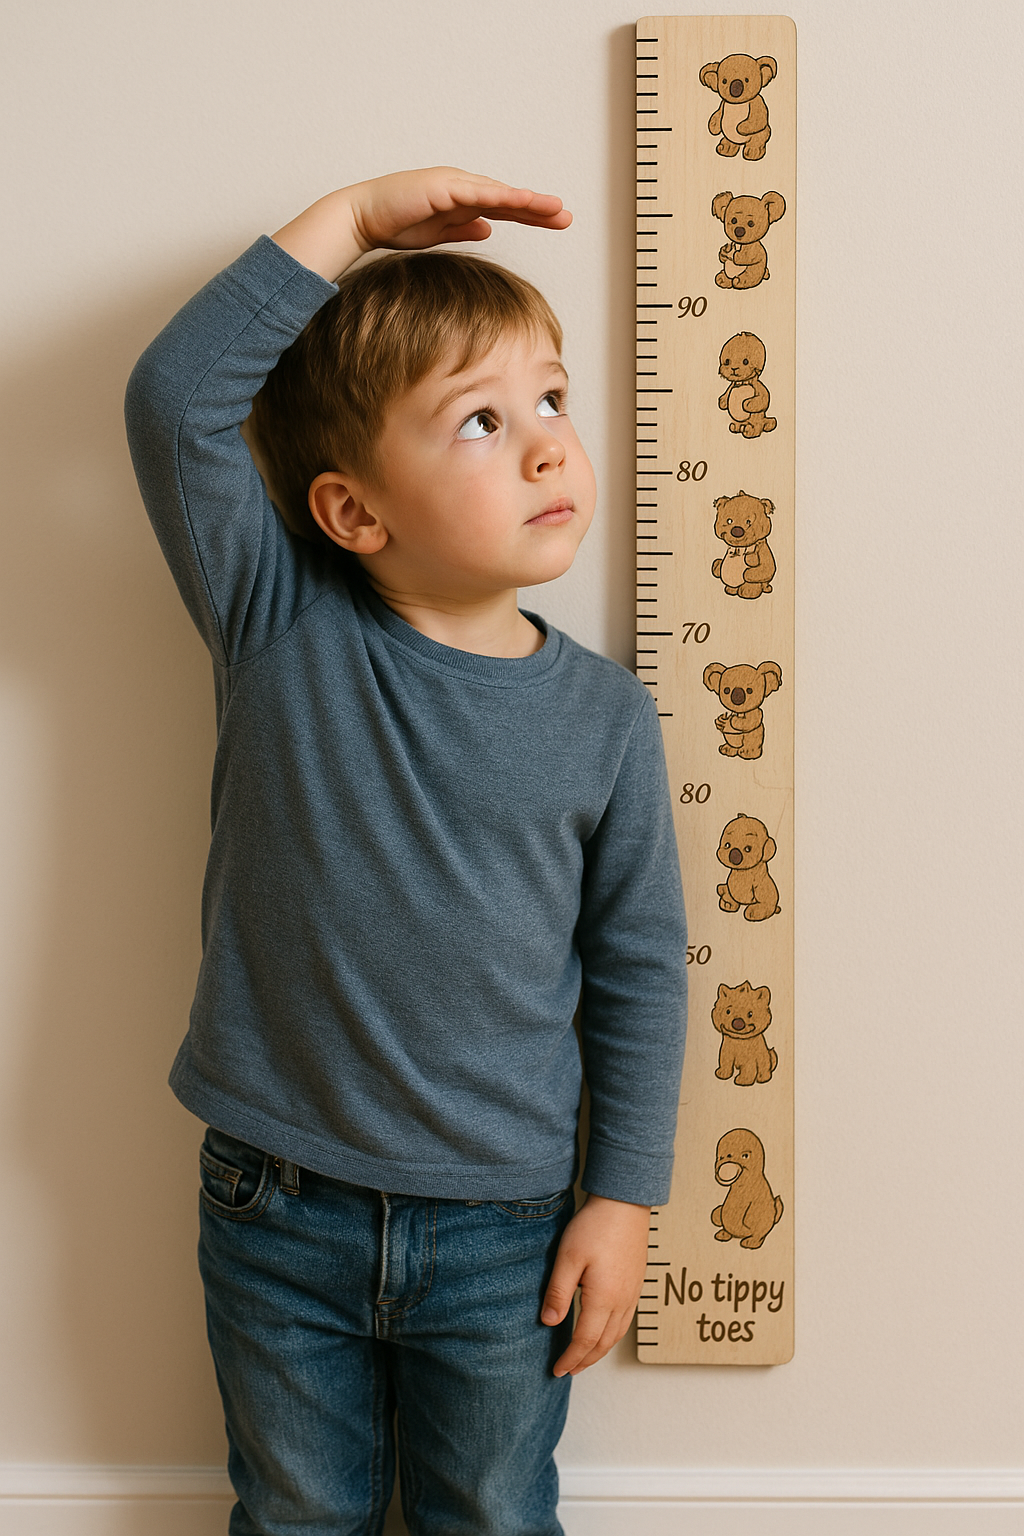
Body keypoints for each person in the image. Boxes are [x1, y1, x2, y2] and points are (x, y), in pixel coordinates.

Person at [124, 166, 686, 1536]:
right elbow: (174, 402)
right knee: (293, 1513)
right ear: (353, 513)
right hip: (278, 1202)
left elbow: (640, 972)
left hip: (508, 1228)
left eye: (551, 400)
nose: (549, 448)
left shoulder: (608, 718)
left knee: (491, 1516)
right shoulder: (279, 625)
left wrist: (624, 1198)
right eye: (481, 421)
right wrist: (359, 221)